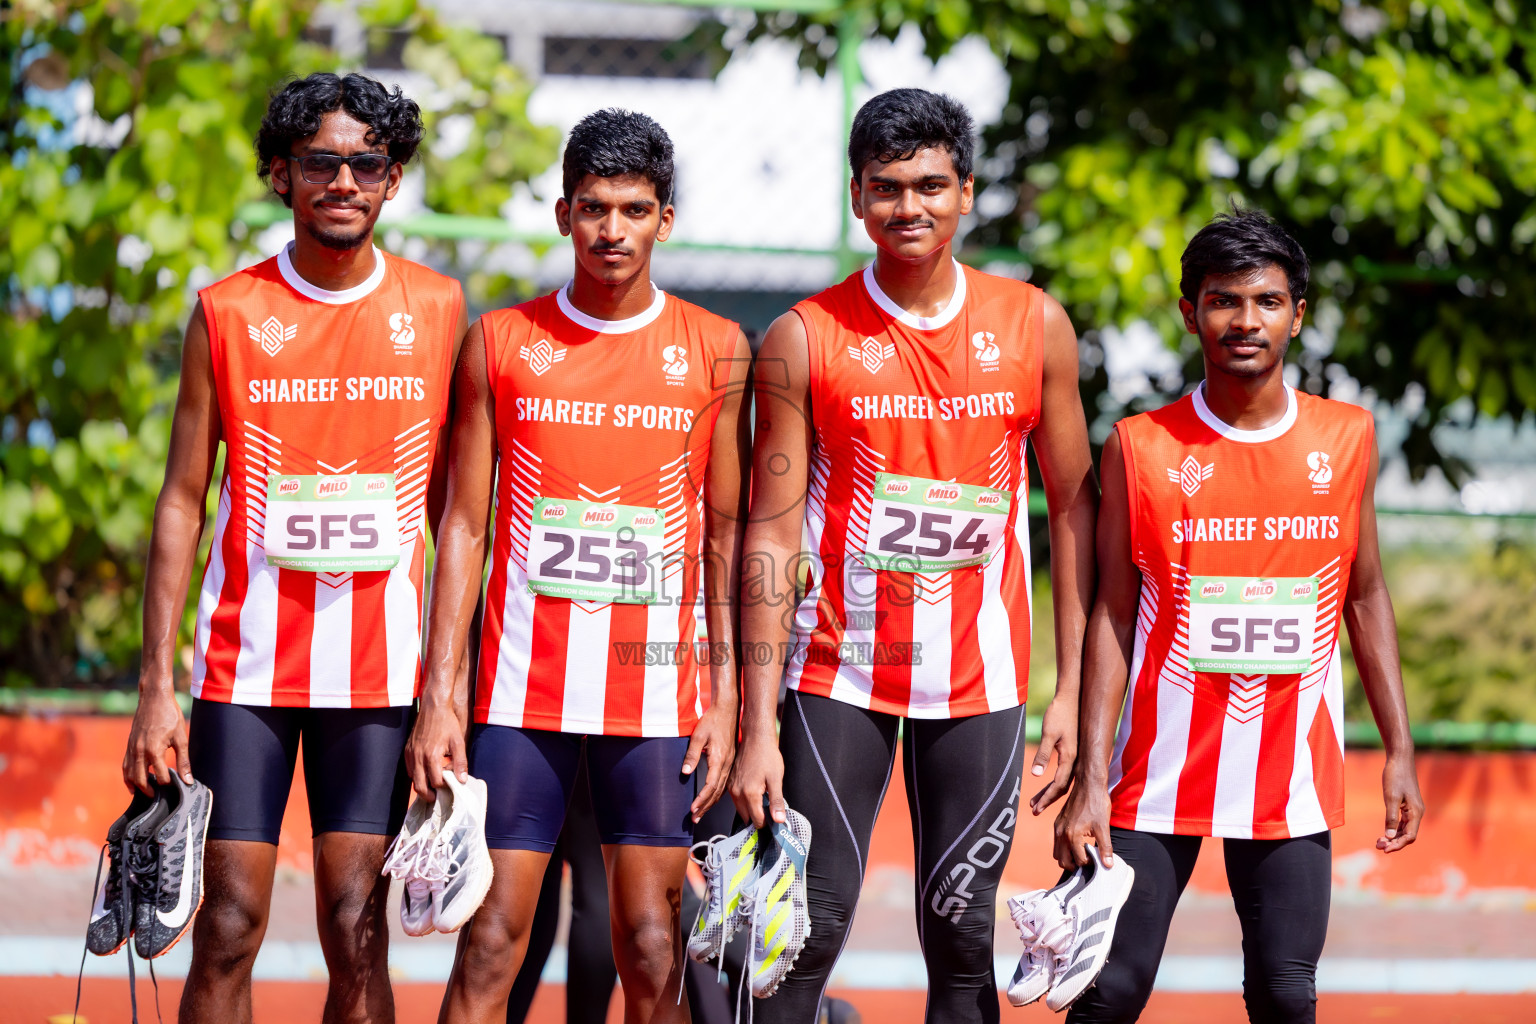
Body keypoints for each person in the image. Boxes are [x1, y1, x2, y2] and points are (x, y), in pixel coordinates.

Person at [730, 87, 1098, 1022]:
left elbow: (1076, 511)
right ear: (857, 198)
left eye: (931, 186)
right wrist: (759, 723)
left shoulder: (1034, 325)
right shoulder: (804, 337)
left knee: (964, 936)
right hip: (837, 675)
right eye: (887, 188)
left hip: (982, 682)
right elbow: (770, 532)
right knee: (799, 929)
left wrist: (1069, 689)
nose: (910, 208)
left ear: (966, 192)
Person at [121, 72, 466, 1023]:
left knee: (358, 925)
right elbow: (182, 502)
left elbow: (459, 517)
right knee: (227, 922)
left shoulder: (440, 310)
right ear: (281, 174)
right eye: (321, 161)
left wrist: (447, 688)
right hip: (246, 675)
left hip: (381, 677)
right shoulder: (226, 313)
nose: (345, 180)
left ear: (393, 180)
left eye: (368, 162)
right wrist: (156, 689)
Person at [405, 108, 751, 1023]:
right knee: (488, 944)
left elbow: (724, 535)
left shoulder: (718, 348)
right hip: (523, 698)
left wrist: (725, 694)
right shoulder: (499, 343)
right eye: (593, 208)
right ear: (563, 214)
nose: (612, 231)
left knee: (650, 945)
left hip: (657, 699)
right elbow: (463, 528)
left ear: (665, 220)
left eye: (634, 210)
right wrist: (442, 695)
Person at [1053, 207, 1425, 1023]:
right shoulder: (1141, 446)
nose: (1245, 321)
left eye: (1265, 301)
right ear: (1191, 314)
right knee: (1108, 990)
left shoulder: (1349, 436)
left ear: (1299, 313)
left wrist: (1399, 748)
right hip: (1152, 775)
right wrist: (1089, 777)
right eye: (1223, 301)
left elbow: (1365, 595)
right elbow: (1114, 615)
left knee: (1287, 999)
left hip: (1289, 774)